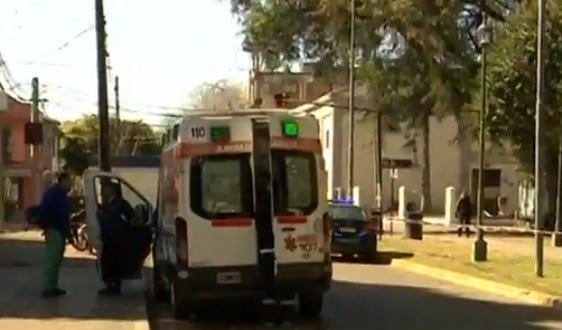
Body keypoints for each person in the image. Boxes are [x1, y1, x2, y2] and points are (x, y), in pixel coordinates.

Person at [97, 182, 135, 296]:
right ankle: (110, 285)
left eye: (107, 188)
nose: (104, 191)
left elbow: (128, 218)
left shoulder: (120, 204)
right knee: (107, 262)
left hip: (116, 238)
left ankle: (114, 286)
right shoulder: (107, 204)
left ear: (113, 190)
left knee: (113, 263)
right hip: (108, 238)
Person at [39, 172, 72, 298]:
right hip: (54, 229)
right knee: (52, 259)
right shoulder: (54, 193)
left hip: (59, 229)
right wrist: (46, 224)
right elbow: (46, 209)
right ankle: (48, 287)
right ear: (63, 181)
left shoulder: (61, 194)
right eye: (69, 181)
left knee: (56, 259)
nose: (71, 184)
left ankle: (52, 286)